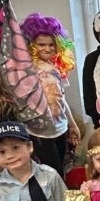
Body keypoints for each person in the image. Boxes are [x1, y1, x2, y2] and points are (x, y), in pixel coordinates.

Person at [20, 12, 81, 176]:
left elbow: (61, 98)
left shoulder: (56, 68)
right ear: (32, 44)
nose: (47, 49)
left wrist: (72, 124)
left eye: (51, 45)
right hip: (39, 131)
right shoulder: (28, 68)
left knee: (61, 171)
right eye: (41, 44)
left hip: (60, 128)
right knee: (51, 174)